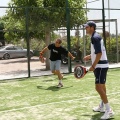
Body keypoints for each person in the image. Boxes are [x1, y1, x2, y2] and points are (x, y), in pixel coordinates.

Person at [83, 21, 114, 119]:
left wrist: (93, 66)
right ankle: (102, 106)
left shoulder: (94, 38)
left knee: (98, 87)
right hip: (101, 65)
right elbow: (98, 52)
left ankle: (109, 110)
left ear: (92, 27)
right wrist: (90, 56)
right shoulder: (96, 36)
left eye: (87, 27)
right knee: (102, 86)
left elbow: (100, 54)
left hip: (100, 66)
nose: (86, 29)